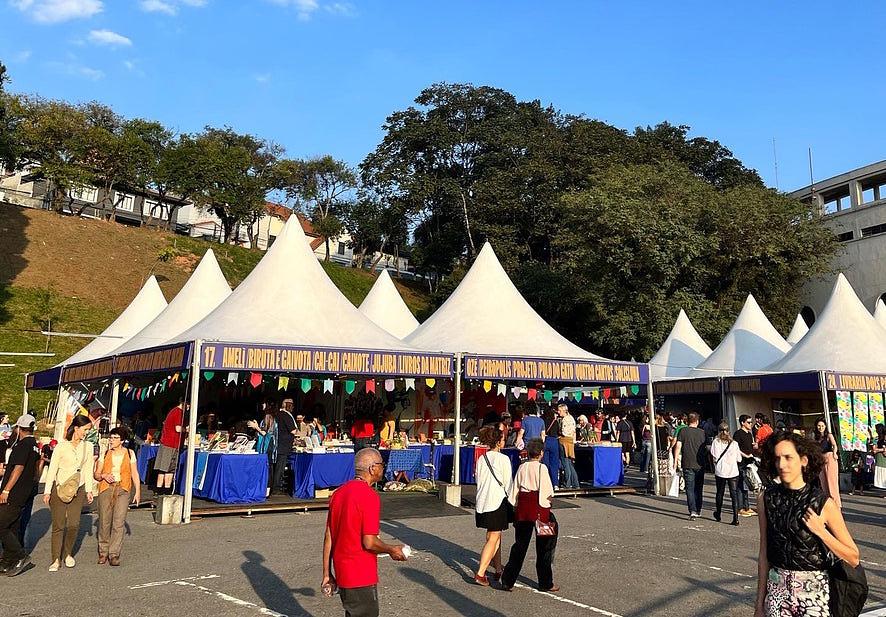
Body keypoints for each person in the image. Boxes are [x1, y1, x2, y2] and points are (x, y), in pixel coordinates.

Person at [754, 432, 860, 617]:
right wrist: (759, 605)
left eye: (788, 457)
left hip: (814, 595)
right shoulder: (766, 498)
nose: (782, 464)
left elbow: (853, 557)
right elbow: (764, 554)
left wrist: (821, 532)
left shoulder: (823, 503)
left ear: (803, 460)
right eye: (777, 458)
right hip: (777, 593)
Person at [321, 447, 406, 616]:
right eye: (381, 464)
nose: (383, 467)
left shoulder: (339, 494)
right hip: (360, 573)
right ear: (372, 468)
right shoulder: (369, 495)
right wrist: (391, 549)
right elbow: (369, 541)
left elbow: (329, 536)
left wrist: (326, 573)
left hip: (342, 570)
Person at [500, 438, 559, 593]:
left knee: (520, 545)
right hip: (540, 509)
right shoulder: (542, 468)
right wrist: (548, 504)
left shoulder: (522, 467)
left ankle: (507, 580)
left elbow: (515, 489)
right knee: (544, 547)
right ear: (540, 453)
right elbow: (547, 492)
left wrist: (514, 504)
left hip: (523, 509)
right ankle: (545, 582)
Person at [43, 415, 94, 572]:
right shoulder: (61, 446)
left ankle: (68, 554)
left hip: (78, 488)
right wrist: (47, 491)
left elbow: (88, 468)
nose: (86, 433)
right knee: (58, 525)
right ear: (76, 428)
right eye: (85, 430)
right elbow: (52, 469)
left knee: (73, 524)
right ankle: (55, 559)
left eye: (88, 430)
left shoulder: (89, 446)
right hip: (59, 487)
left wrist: (89, 490)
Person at [473, 425, 514, 586]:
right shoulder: (503, 459)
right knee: (494, 537)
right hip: (497, 501)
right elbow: (508, 483)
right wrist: (513, 502)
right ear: (498, 442)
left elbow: (478, 480)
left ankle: (498, 568)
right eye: (503, 439)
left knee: (494, 535)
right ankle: (481, 572)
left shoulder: (482, 458)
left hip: (482, 502)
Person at [0, 414, 40, 576]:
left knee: (1, 525)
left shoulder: (22, 445)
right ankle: (8, 560)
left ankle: (20, 554)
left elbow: (18, 468)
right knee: (13, 525)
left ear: (18, 429)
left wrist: (6, 490)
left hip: (15, 493)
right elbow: (37, 467)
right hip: (25, 491)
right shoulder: (34, 445)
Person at [95, 427, 140, 566]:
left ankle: (114, 554)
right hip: (106, 488)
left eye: (115, 438)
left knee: (118, 522)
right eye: (111, 437)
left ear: (122, 440)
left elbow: (134, 473)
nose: (111, 440)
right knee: (104, 521)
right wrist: (103, 475)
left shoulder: (130, 453)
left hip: (123, 488)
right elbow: (96, 474)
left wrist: (137, 490)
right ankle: (103, 552)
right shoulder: (105, 453)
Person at [674, 412, 707, 519]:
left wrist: (675, 462)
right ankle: (698, 509)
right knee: (699, 488)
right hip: (700, 463)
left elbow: (678, 447)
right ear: (697, 421)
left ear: (687, 421)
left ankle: (692, 510)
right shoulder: (702, 432)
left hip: (687, 463)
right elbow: (706, 448)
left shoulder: (683, 431)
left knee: (689, 488)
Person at [710, 422, 741, 526]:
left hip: (720, 470)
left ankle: (718, 514)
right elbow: (739, 459)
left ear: (719, 431)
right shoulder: (734, 443)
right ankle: (735, 518)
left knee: (720, 492)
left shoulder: (716, 442)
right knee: (734, 494)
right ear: (729, 431)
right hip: (733, 471)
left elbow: (714, 455)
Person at [155, 399, 186, 495]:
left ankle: (160, 490)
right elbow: (178, 428)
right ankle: (165, 490)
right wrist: (187, 429)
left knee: (164, 468)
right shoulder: (178, 412)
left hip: (167, 443)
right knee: (169, 467)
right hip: (171, 444)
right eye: (188, 405)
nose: (188, 408)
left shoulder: (173, 411)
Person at [812, 418, 840, 509]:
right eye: (819, 426)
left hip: (829, 457)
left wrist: (835, 453)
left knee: (832, 483)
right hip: (820, 460)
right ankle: (829, 505)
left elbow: (834, 445)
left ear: (825, 426)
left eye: (822, 426)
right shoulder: (815, 437)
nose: (820, 427)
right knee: (823, 483)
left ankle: (837, 505)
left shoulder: (829, 435)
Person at [248, 406, 277, 496]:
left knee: (268, 468)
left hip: (268, 448)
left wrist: (257, 427)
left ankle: (267, 490)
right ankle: (262, 488)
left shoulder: (273, 422)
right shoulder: (263, 421)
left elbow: (267, 434)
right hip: (263, 448)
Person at [734, 414, 758, 517]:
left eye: (751, 422)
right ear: (742, 423)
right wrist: (746, 455)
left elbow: (751, 445)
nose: (750, 424)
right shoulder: (738, 434)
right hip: (741, 462)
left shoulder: (749, 433)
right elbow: (735, 449)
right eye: (748, 422)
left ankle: (747, 507)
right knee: (740, 486)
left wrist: (754, 447)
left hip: (749, 463)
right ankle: (740, 508)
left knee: (748, 485)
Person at [273, 399, 297, 495]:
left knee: (277, 466)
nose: (292, 407)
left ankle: (275, 486)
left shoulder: (278, 414)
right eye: (291, 405)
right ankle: (276, 488)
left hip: (278, 444)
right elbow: (293, 431)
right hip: (283, 446)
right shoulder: (285, 415)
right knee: (280, 467)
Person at [556, 404, 579, 489]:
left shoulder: (564, 420)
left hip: (564, 441)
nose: (558, 412)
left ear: (564, 410)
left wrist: (559, 435)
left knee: (565, 463)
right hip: (570, 442)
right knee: (570, 463)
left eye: (559, 411)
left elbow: (564, 432)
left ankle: (567, 484)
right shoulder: (572, 418)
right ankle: (576, 484)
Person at [873, 423, 886, 491]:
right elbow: (874, 450)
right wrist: (882, 449)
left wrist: (879, 450)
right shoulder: (876, 438)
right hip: (879, 458)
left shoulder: (884, 437)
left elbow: (876, 450)